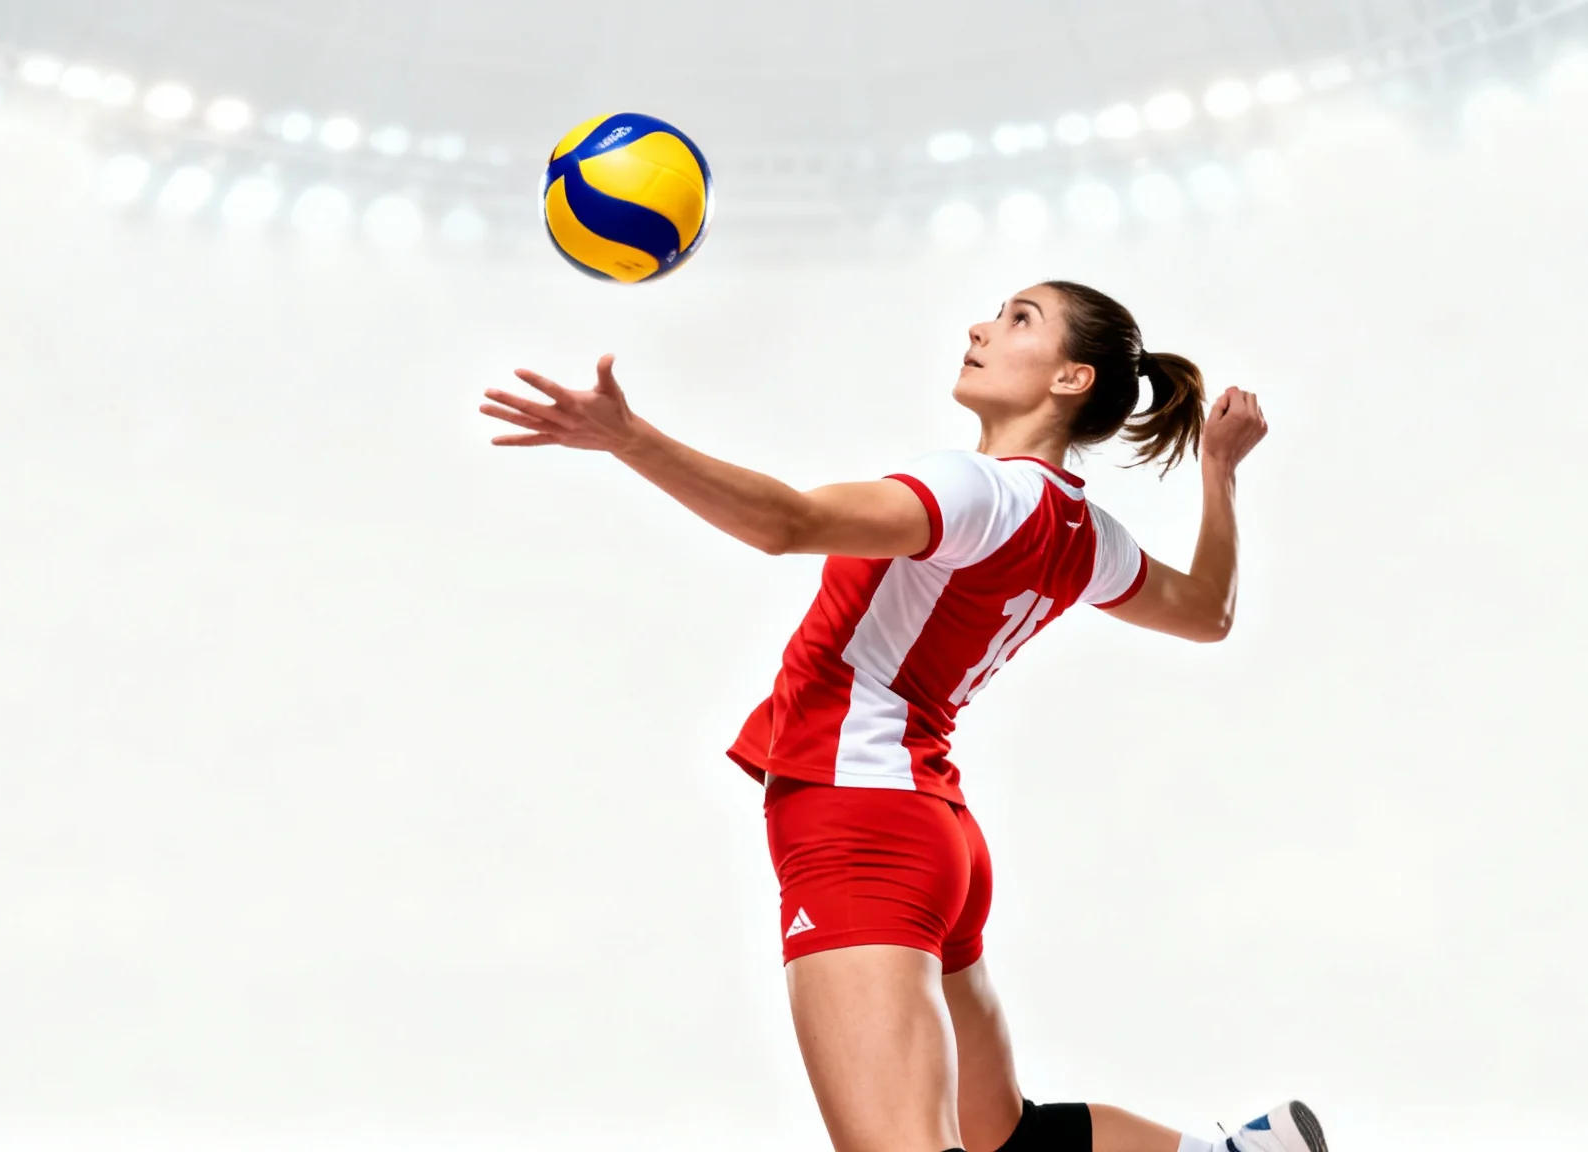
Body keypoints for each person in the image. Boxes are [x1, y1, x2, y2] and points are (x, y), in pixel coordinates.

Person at [479, 280, 1323, 1152]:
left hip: (859, 821)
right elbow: (1206, 612)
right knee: (1003, 1137)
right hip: (934, 831)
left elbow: (787, 522)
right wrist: (1219, 476)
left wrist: (627, 438)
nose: (981, 326)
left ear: (1071, 379)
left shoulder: (975, 491)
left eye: (1018, 318)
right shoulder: (1082, 531)